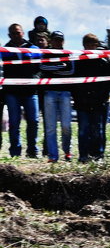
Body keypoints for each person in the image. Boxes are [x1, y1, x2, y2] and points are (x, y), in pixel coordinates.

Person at [71, 34, 110, 162]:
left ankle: (97, 155)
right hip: (82, 102)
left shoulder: (103, 62)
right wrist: (77, 98)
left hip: (98, 102)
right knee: (83, 130)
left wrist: (103, 97)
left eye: (94, 44)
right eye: (89, 44)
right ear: (84, 45)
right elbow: (74, 82)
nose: (91, 47)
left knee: (97, 130)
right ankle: (83, 155)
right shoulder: (78, 62)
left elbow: (108, 83)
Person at [4, 22, 39, 158]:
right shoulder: (4, 50)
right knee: (14, 123)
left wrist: (35, 78)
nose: (16, 35)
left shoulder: (33, 48)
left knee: (34, 121)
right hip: (12, 92)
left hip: (30, 91)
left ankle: (32, 150)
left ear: (23, 33)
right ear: (9, 35)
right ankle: (15, 152)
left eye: (18, 32)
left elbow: (40, 68)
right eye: (13, 33)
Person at [40, 31, 74, 162]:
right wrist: (60, 67)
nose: (57, 42)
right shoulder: (46, 53)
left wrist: (53, 68)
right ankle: (53, 156)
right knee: (50, 127)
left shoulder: (68, 53)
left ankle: (67, 150)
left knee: (66, 125)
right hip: (49, 92)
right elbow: (42, 67)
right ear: (51, 40)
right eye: (55, 39)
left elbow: (70, 71)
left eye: (60, 40)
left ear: (63, 41)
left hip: (65, 92)